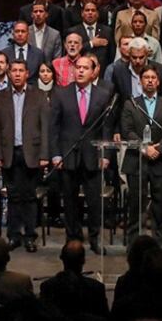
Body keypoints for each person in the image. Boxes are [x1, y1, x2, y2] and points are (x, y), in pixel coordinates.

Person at [51, 53, 114, 254]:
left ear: (93, 72)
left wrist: (106, 155)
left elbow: (106, 128)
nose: (80, 71)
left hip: (92, 155)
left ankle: (95, 239)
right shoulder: (61, 93)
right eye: (78, 67)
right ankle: (73, 238)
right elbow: (54, 127)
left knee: (94, 201)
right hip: (68, 154)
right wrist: (56, 154)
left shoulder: (103, 95)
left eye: (85, 68)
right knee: (70, 201)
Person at [0, 59, 50, 252]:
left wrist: (44, 154)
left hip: (32, 152)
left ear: (27, 73)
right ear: (9, 73)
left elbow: (45, 127)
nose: (17, 74)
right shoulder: (0, 97)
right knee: (13, 196)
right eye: (13, 70)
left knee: (30, 196)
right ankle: (13, 235)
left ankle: (30, 236)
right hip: (9, 153)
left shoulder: (39, 95)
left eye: (20, 71)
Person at [120, 63, 162, 245]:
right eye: (146, 78)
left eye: (153, 78)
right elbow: (127, 130)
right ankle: (134, 241)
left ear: (158, 82)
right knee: (136, 202)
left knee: (160, 203)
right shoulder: (131, 104)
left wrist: (159, 149)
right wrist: (145, 147)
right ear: (140, 81)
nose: (150, 81)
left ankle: (160, 241)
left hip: (161, 161)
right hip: (137, 160)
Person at [39, 239, 110, 321]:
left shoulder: (47, 287)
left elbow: (43, 319)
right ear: (83, 260)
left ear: (61, 258)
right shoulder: (96, 288)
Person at [67, 0, 114, 71]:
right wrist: (91, 43)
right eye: (87, 10)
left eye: (93, 10)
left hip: (102, 71)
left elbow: (111, 54)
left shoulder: (107, 31)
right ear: (82, 13)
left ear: (97, 14)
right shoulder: (73, 31)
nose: (90, 13)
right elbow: (72, 52)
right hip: (80, 70)